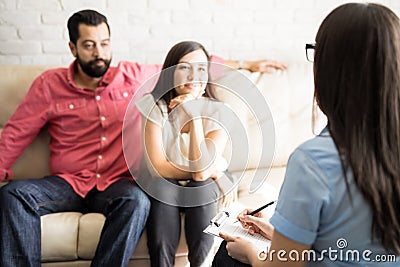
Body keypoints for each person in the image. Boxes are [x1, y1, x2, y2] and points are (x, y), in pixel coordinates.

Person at [0, 9, 285, 267]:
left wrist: (248, 63)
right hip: (67, 182)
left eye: (104, 43)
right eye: (89, 45)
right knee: (13, 194)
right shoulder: (48, 85)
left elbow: (193, 65)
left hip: (115, 184)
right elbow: (14, 134)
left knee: (137, 200)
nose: (99, 52)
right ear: (73, 47)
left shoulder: (133, 76)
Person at [212, 3, 400, 267]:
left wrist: (251, 254)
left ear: (331, 71)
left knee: (227, 254)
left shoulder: (312, 161)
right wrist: (282, 235)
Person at [135, 40, 238, 267]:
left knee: (200, 188)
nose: (193, 75)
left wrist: (194, 114)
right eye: (184, 67)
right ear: (171, 72)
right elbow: (159, 168)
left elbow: (201, 174)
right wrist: (215, 171)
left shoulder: (221, 112)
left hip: (203, 186)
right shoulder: (154, 106)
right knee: (163, 187)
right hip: (165, 183)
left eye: (201, 68)